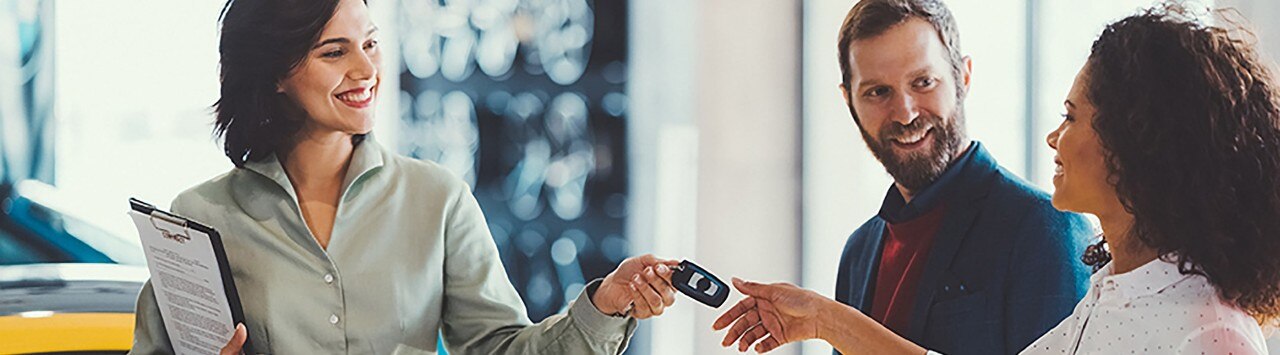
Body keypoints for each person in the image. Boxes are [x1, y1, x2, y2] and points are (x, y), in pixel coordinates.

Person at [715, 4, 1280, 355]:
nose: (906, 112)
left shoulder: (1206, 333)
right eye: (878, 91)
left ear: (1138, 144)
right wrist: (823, 318)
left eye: (1072, 116)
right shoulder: (1110, 297)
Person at [129, 0, 678, 353]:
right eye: (334, 52)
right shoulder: (200, 217)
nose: (366, 71)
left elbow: (500, 349)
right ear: (275, 74)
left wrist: (604, 305)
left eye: (370, 43)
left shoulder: (436, 199)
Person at [714, 0, 1094, 354]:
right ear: (849, 101)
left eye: (923, 82)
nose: (905, 113)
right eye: (878, 92)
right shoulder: (859, 251)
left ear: (963, 76)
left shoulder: (1046, 229)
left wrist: (829, 320)